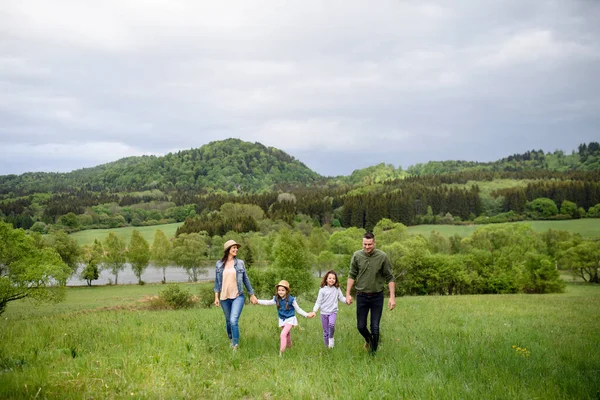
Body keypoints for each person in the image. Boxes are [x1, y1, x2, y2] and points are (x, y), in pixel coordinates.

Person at [346, 232, 395, 354]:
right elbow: (352, 274)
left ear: (374, 243)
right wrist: (347, 294)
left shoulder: (382, 257)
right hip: (362, 296)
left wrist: (392, 297)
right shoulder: (357, 256)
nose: (367, 247)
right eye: (365, 244)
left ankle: (373, 354)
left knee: (375, 327)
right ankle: (369, 341)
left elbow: (390, 277)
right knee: (361, 326)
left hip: (377, 297)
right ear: (362, 243)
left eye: (370, 244)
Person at [214, 239, 258, 350]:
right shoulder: (219, 264)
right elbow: (217, 282)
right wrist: (216, 297)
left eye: (236, 247)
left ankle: (235, 345)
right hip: (224, 297)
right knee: (228, 322)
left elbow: (245, 279)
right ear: (228, 249)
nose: (236, 249)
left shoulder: (240, 263)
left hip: (238, 296)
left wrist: (251, 294)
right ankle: (231, 338)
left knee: (234, 320)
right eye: (234, 247)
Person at [256, 280, 314, 356]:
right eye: (279, 290)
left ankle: (281, 353)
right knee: (287, 335)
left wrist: (307, 315)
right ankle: (290, 348)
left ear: (286, 291)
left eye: (283, 290)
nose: (280, 292)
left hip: (290, 319)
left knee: (283, 334)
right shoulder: (277, 299)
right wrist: (257, 301)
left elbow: (298, 309)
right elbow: (268, 302)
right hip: (282, 319)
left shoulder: (291, 300)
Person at [311, 270, 346, 348]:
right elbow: (318, 302)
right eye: (330, 278)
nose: (332, 280)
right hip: (323, 313)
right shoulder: (322, 290)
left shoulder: (337, 289)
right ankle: (327, 347)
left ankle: (331, 338)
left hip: (333, 312)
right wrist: (314, 311)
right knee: (326, 332)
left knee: (331, 324)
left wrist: (346, 300)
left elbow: (341, 297)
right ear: (326, 279)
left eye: (334, 278)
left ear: (336, 280)